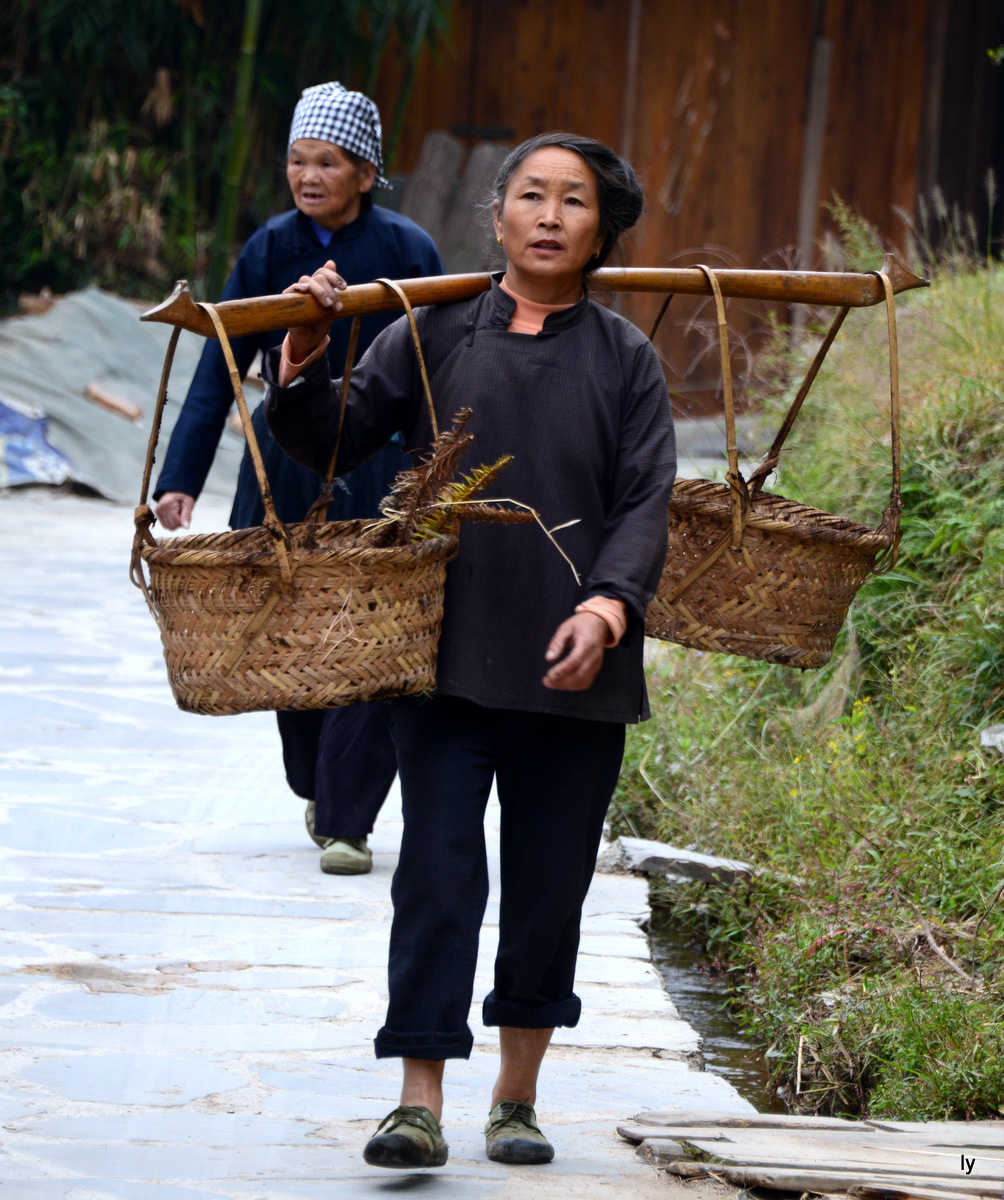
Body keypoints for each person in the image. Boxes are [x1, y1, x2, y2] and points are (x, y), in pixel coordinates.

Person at [264, 132, 676, 1167]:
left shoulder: (624, 358)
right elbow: (331, 439)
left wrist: (607, 610)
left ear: (601, 233)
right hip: (446, 660)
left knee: (547, 887)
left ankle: (516, 1097)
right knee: (437, 878)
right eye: (530, 195)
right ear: (495, 218)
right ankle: (418, 1101)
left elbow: (644, 503)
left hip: (577, 674)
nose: (549, 215)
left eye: (573, 200)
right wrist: (304, 356)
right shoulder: (434, 329)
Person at [152, 82, 443, 875]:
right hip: (282, 463)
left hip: (381, 464)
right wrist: (180, 477)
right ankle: (316, 781)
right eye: (297, 160)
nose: (308, 176)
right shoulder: (269, 248)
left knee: (375, 635)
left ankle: (349, 821)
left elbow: (439, 363)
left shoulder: (410, 250)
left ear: (366, 173)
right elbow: (219, 367)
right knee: (289, 632)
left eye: (328, 162)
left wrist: (438, 472)